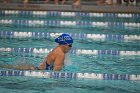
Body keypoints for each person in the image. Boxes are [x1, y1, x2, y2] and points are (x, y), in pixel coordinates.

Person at [0, 33, 73, 71]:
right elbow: (56, 72)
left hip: (37, 69)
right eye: (70, 45)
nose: (71, 48)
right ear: (64, 44)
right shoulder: (60, 54)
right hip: (39, 71)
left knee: (10, 67)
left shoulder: (57, 49)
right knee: (10, 67)